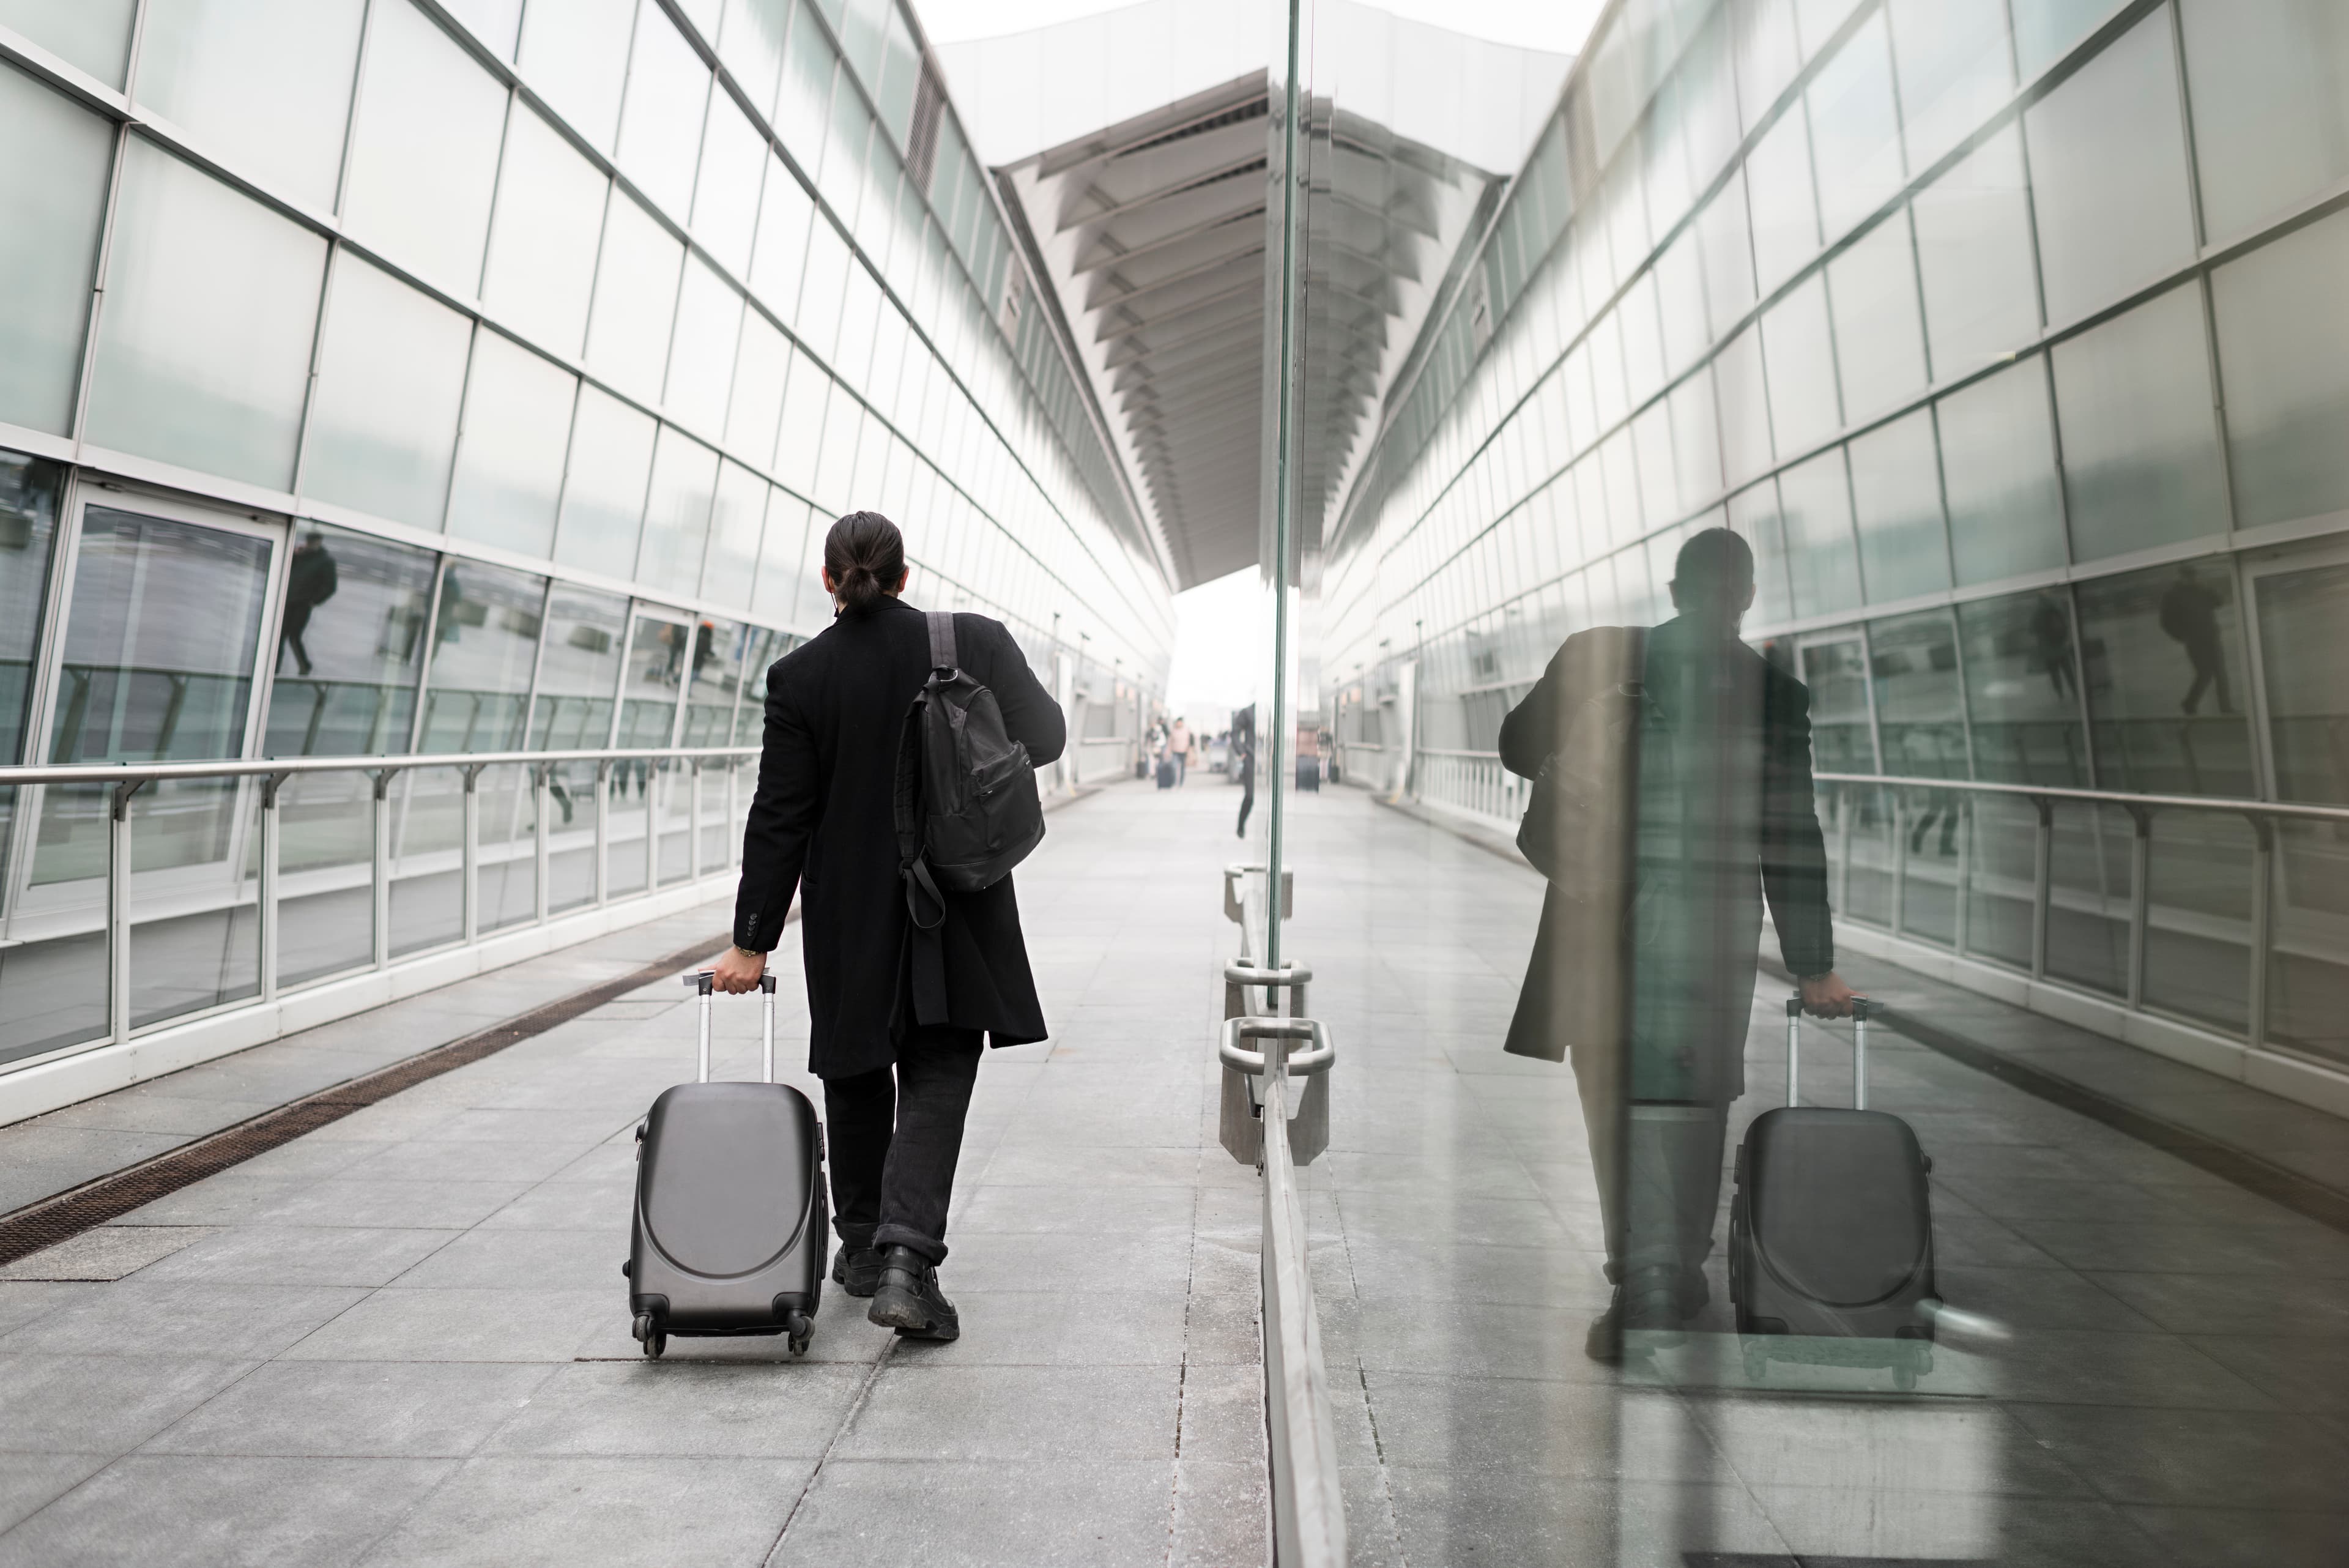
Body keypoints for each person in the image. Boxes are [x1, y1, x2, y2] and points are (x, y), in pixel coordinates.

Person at [1498, 527, 1859, 1361]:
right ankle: (1671, 1267)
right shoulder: (1776, 691)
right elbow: (1791, 834)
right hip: (1710, 928)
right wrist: (1814, 962)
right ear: (1746, 595)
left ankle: (1645, 1274)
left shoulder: (1600, 654)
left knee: (1613, 1094)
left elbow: (1516, 749)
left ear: (1672, 587)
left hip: (1596, 918)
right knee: (1695, 1094)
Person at [712, 511, 1065, 1342]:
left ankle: (864, 1246)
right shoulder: (971, 642)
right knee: (940, 1063)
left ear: (829, 580)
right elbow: (1045, 736)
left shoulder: (801, 677)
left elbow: (781, 816)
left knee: (856, 1061)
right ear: (904, 576)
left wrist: (751, 937)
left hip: (848, 907)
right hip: (957, 895)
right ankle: (909, 1260)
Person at [2159, 564, 2234, 716]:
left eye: (2193, 575)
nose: (2191, 578)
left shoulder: (2201, 590)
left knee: (2220, 673)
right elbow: (2165, 622)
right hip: (2194, 641)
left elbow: (2219, 602)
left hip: (2211, 637)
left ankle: (2226, 708)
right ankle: (2189, 703)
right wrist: (2181, 636)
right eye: (2188, 576)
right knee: (2204, 674)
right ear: (2180, 576)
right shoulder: (2172, 595)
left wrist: (2207, 589)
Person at [280, 530, 338, 677]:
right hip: (289, 601)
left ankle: (305, 666)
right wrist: (294, 555)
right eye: (309, 541)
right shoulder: (301, 556)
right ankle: (274, 671)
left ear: (319, 541)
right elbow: (287, 569)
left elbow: (330, 586)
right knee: (280, 636)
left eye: (314, 541)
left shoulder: (325, 561)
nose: (311, 544)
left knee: (294, 636)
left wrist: (314, 601)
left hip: (303, 604)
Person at [1233, 704, 1256, 839]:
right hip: (1251, 759)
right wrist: (1242, 752)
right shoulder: (1248, 712)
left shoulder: (1273, 709)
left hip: (1268, 761)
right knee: (1250, 796)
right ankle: (1241, 825)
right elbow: (1235, 732)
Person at [1168, 716, 1192, 785]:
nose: (1178, 724)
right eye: (1177, 723)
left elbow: (1189, 741)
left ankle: (1181, 782)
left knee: (1182, 768)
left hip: (1184, 752)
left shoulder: (1186, 731)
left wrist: (1189, 750)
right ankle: (1174, 781)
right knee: (1174, 767)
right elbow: (1170, 742)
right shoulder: (1173, 731)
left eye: (1180, 723)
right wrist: (1168, 751)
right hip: (1175, 751)